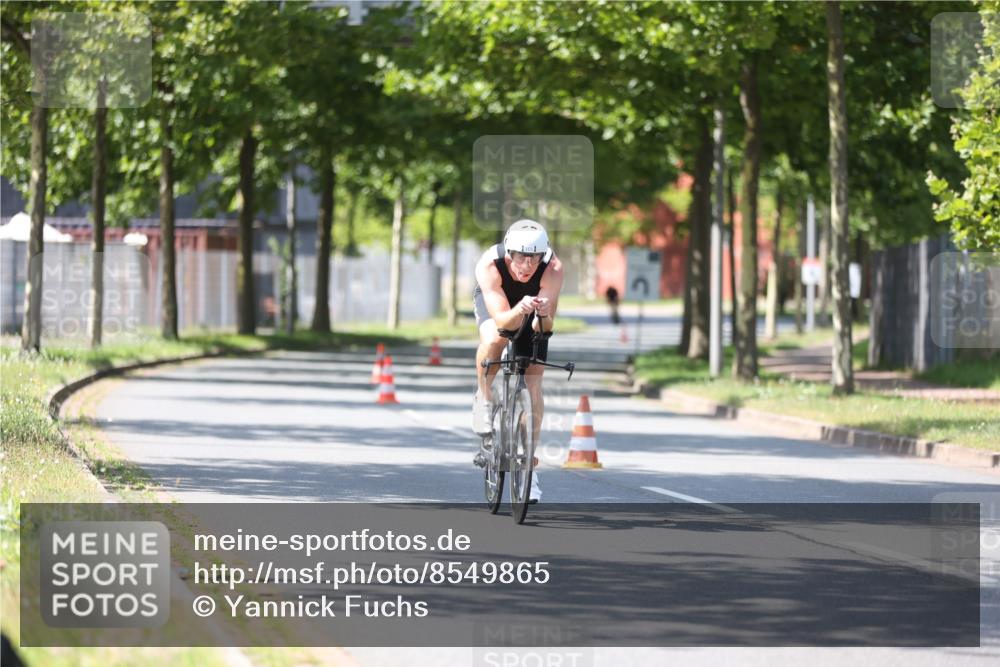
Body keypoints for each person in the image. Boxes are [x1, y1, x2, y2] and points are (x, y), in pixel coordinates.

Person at [471, 219, 564, 503]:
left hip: (533, 308)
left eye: (533, 259)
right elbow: (501, 321)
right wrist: (519, 308)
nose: (526, 266)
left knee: (534, 377)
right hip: (498, 304)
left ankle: (528, 467)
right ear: (509, 254)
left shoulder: (553, 269)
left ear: (542, 256)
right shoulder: (490, 265)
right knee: (494, 340)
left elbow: (545, 330)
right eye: (521, 258)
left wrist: (544, 313)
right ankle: (485, 399)